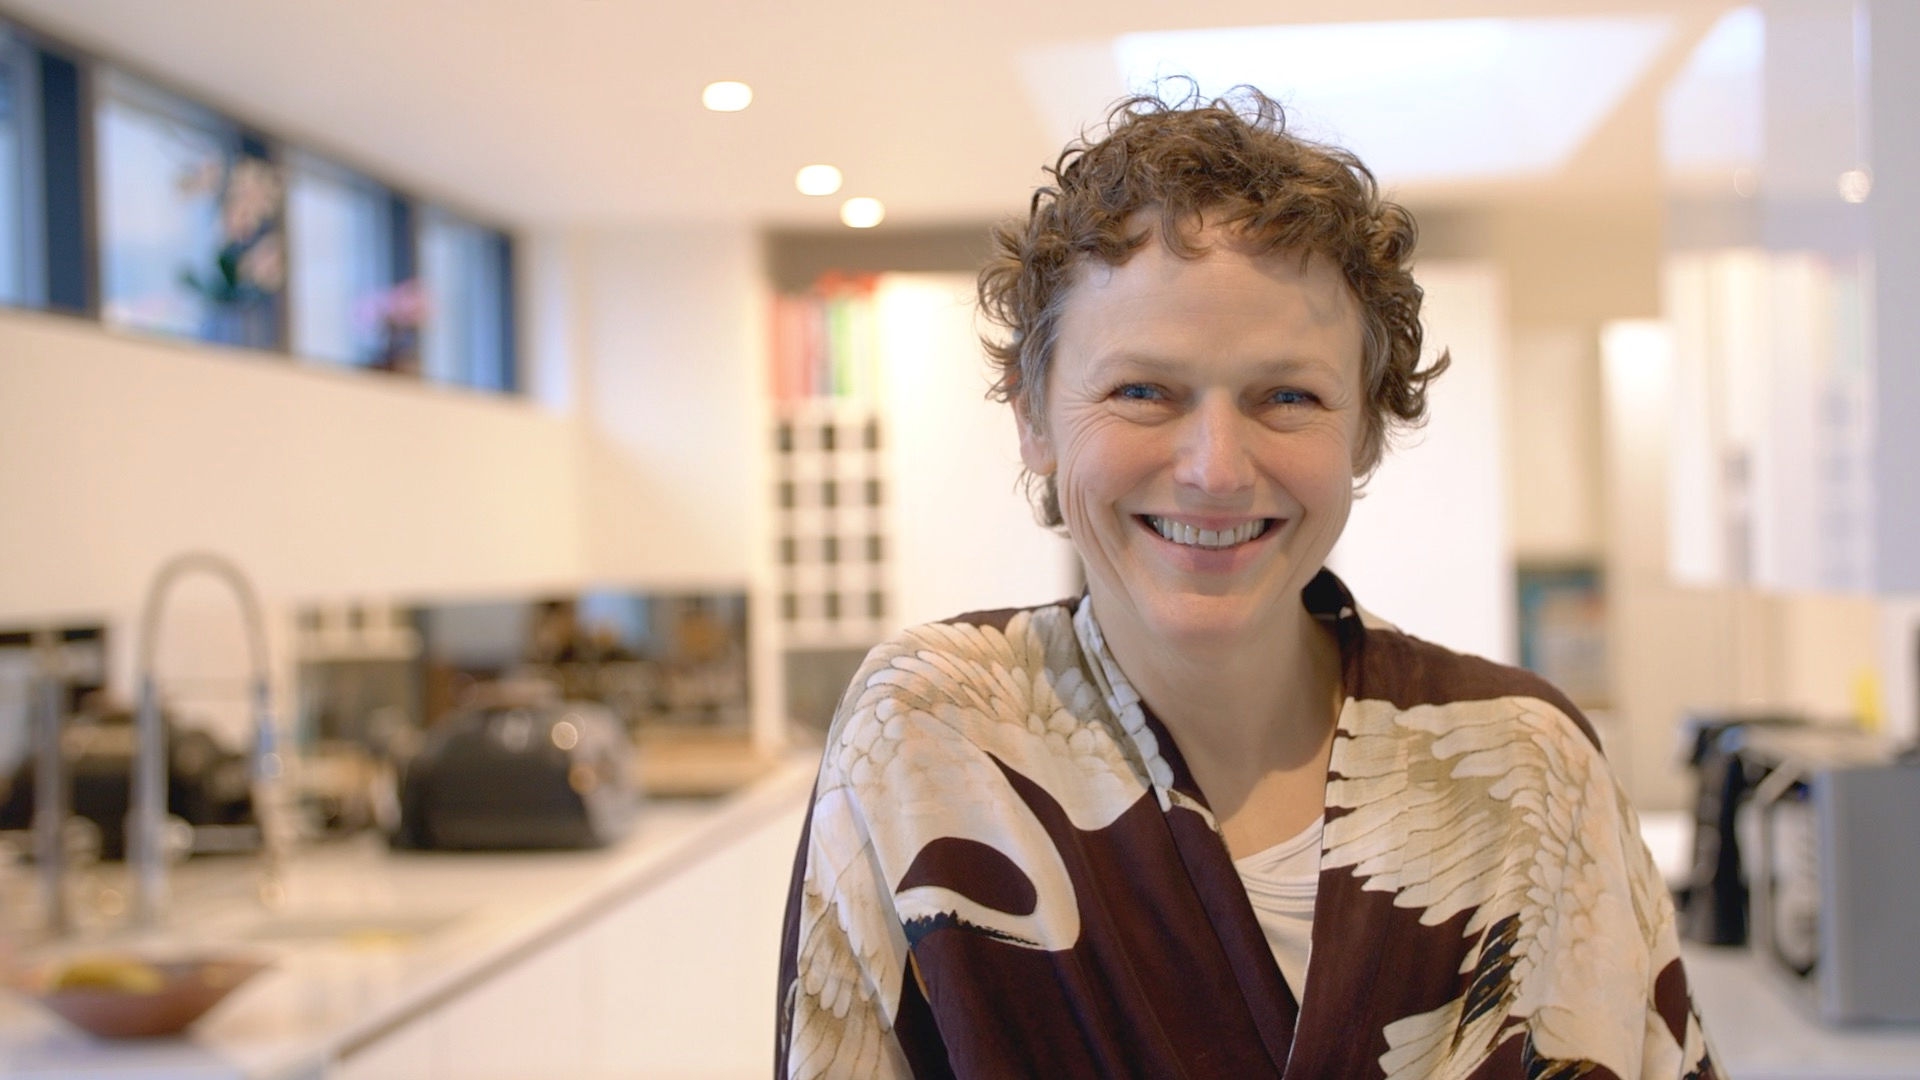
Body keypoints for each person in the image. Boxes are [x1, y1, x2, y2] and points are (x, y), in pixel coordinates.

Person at [774, 87, 1719, 1079]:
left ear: (1362, 430)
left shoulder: (1527, 765)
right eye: (1144, 391)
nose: (1216, 468)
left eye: (1288, 396)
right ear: (1034, 419)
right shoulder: (930, 735)